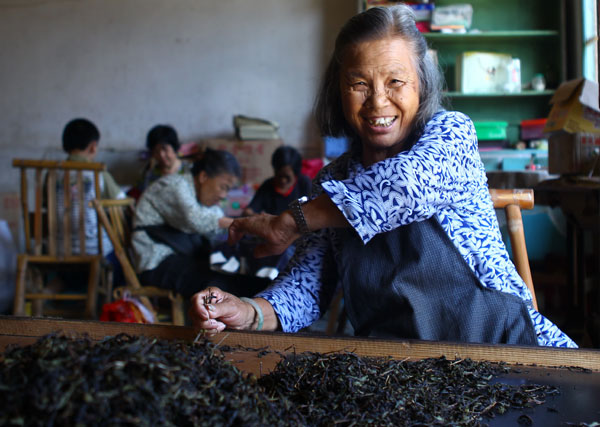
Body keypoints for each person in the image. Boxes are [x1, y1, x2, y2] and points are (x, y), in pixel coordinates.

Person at [190, 5, 577, 348]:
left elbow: (403, 187)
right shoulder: (331, 181)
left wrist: (291, 220)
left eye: (396, 81)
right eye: (359, 84)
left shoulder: (451, 135)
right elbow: (306, 288)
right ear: (338, 92)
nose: (377, 101)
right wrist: (249, 312)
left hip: (503, 348)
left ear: (421, 84)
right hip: (396, 368)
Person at [132, 148, 270, 298]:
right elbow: (195, 219)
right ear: (203, 176)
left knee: (251, 280)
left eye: (228, 190)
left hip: (184, 258)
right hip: (156, 262)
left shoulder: (205, 199)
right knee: (219, 286)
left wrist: (252, 229)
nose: (223, 195)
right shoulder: (173, 186)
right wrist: (247, 224)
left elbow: (219, 225)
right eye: (223, 187)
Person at [57, 118, 125, 256]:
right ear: (93, 146)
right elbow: (120, 202)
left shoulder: (51, 174)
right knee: (121, 255)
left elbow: (46, 203)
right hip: (94, 249)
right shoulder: (97, 172)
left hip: (58, 249)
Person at [243, 146, 312, 217]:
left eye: (287, 177)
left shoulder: (305, 184)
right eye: (279, 176)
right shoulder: (267, 186)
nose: (283, 180)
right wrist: (258, 217)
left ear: (296, 174)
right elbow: (248, 211)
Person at [127, 124, 190, 200]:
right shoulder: (150, 176)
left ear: (174, 148)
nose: (161, 155)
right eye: (156, 151)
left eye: (165, 149)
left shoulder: (189, 171)